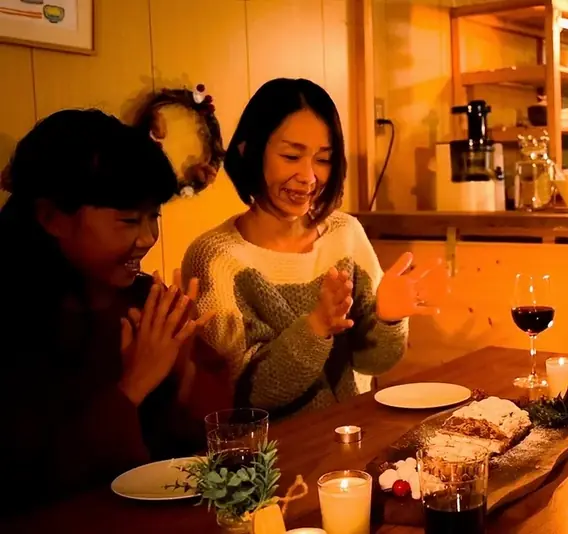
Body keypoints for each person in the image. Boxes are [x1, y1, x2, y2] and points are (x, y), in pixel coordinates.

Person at [0, 109, 222, 513]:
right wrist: (134, 384)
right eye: (127, 220)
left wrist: (185, 366)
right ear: (52, 217)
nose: (148, 237)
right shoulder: (15, 320)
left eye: (153, 216)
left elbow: (213, 444)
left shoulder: (145, 300)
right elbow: (31, 482)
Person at [184, 78, 443, 419]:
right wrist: (317, 327)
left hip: (352, 436)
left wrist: (388, 317)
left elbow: (372, 363)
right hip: (271, 460)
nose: (308, 177)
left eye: (323, 159)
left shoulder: (345, 235)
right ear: (249, 151)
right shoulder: (215, 258)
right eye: (291, 156)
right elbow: (244, 395)